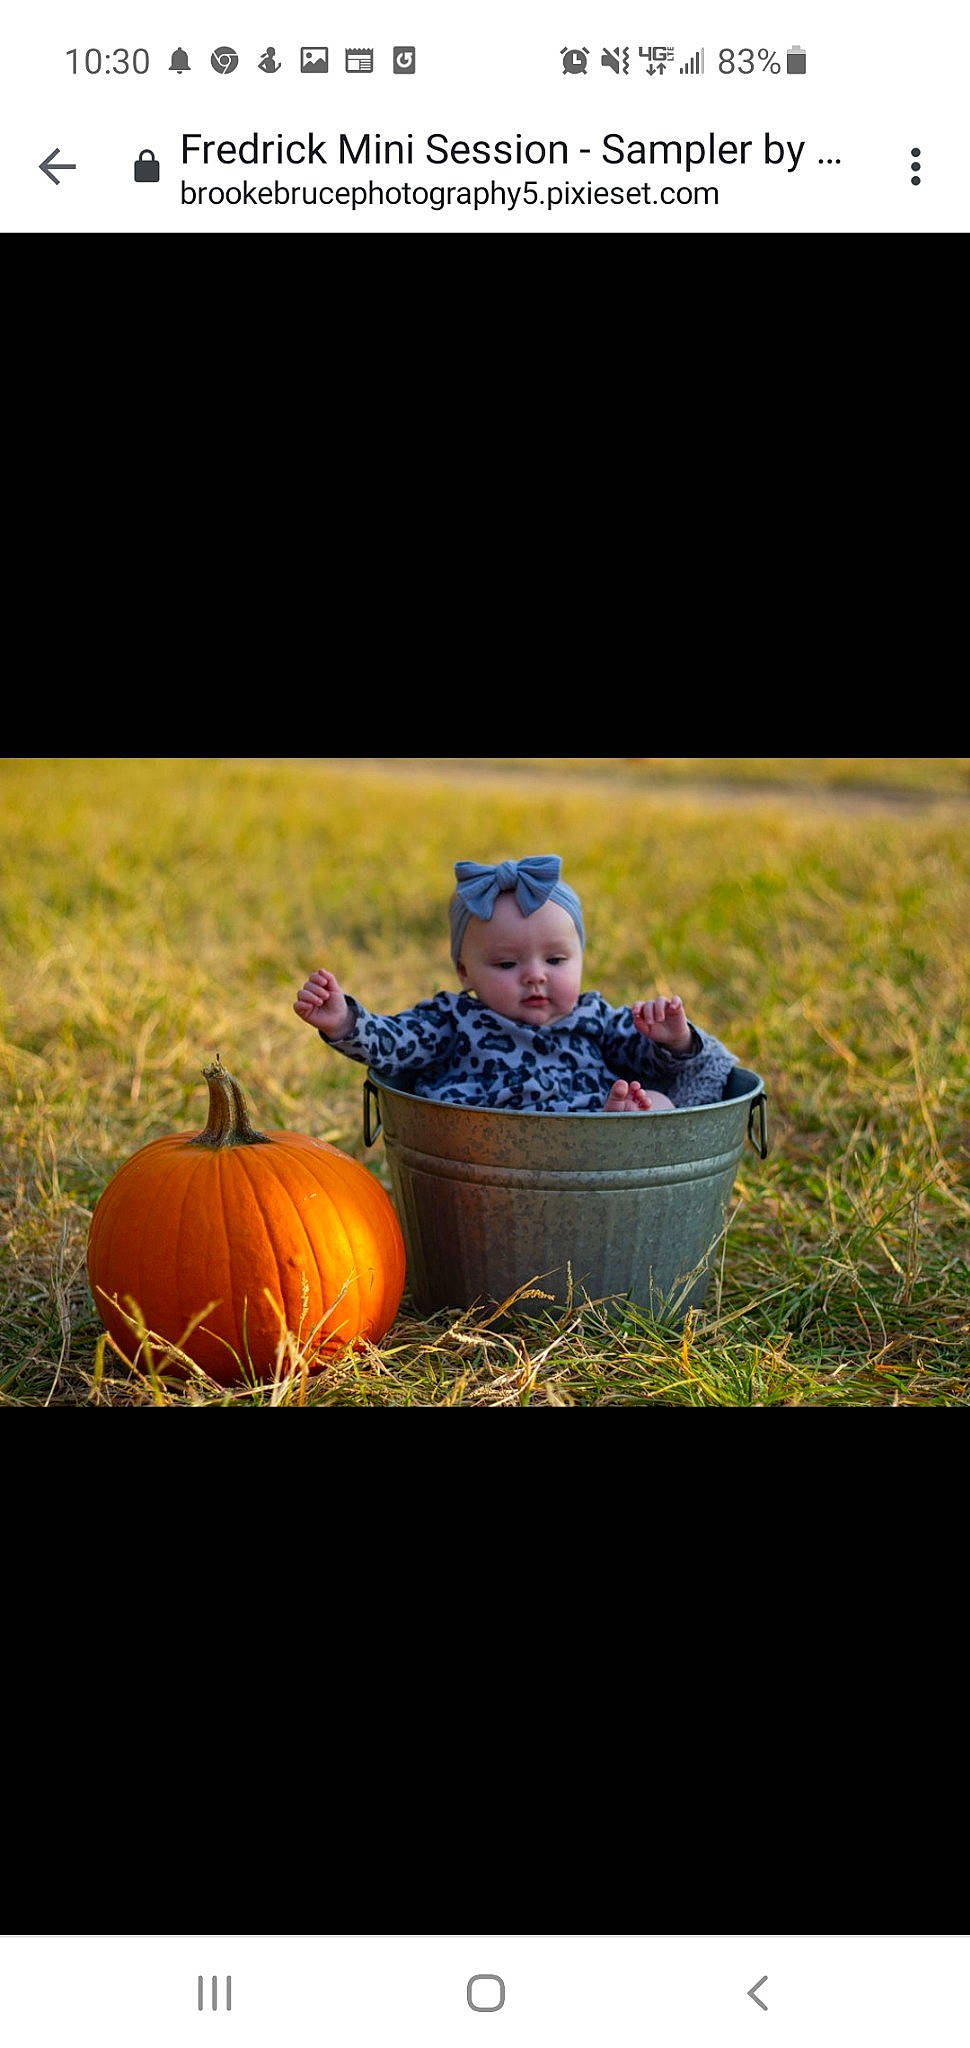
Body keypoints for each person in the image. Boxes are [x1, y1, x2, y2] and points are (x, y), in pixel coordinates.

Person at [293, 855, 737, 1113]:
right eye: (506, 964)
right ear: (465, 973)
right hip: (489, 1135)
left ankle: (618, 1124)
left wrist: (672, 1038)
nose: (535, 975)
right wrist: (345, 1020)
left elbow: (646, 1058)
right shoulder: (454, 1019)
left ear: (581, 958)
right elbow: (398, 1042)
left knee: (657, 1101)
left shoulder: (594, 1016)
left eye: (557, 959)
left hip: (586, 1127)